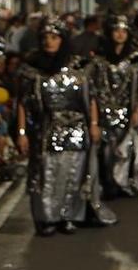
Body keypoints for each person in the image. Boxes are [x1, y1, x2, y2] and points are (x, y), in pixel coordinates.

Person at [15, 18, 115, 236]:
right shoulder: (32, 70)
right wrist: (22, 133)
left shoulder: (78, 69)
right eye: (45, 38)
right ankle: (47, 218)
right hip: (45, 131)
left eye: (54, 37)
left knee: (73, 175)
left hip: (77, 130)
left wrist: (95, 124)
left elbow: (92, 99)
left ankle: (68, 217)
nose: (49, 42)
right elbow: (23, 102)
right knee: (47, 176)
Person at [88, 17, 138, 199]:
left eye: (124, 31)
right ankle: (107, 183)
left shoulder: (134, 60)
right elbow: (93, 89)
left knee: (125, 150)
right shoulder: (99, 60)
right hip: (103, 112)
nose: (120, 34)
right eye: (116, 30)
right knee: (105, 151)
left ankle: (123, 182)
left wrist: (136, 111)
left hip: (126, 110)